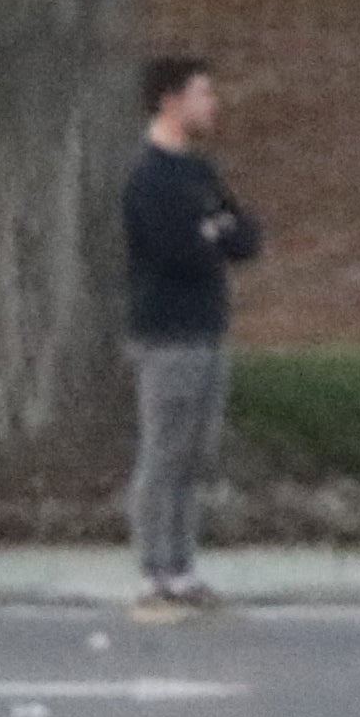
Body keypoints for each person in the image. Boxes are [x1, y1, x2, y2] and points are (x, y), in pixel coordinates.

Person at [120, 53, 258, 619]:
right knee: (165, 452)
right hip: (168, 332)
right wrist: (210, 234)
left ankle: (184, 568)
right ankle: (157, 572)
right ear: (171, 100)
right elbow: (179, 253)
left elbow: (245, 236)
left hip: (208, 328)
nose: (212, 104)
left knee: (196, 454)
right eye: (203, 93)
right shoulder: (149, 177)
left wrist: (216, 230)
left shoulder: (199, 173)